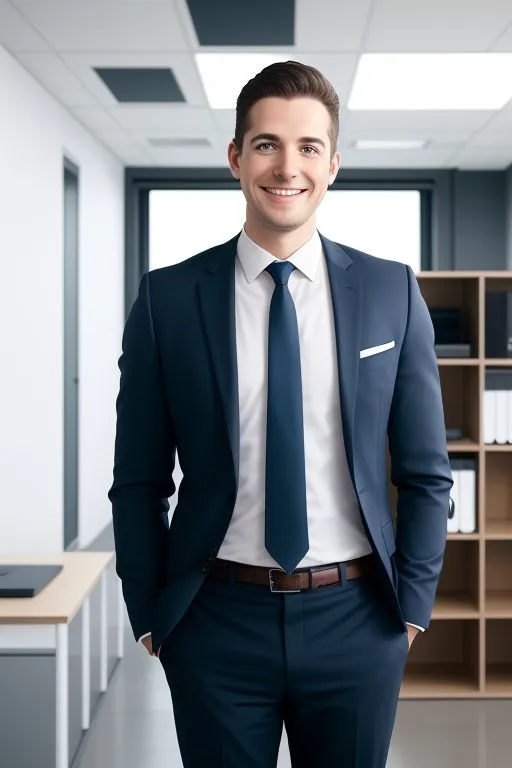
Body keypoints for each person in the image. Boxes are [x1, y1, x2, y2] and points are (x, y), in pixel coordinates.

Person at [109, 60, 453, 767]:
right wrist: (150, 611)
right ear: (236, 158)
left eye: (306, 147)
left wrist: (411, 607)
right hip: (215, 620)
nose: (285, 166)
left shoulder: (392, 292)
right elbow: (138, 479)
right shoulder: (168, 301)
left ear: (332, 164)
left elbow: (426, 473)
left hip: (357, 617)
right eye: (266, 143)